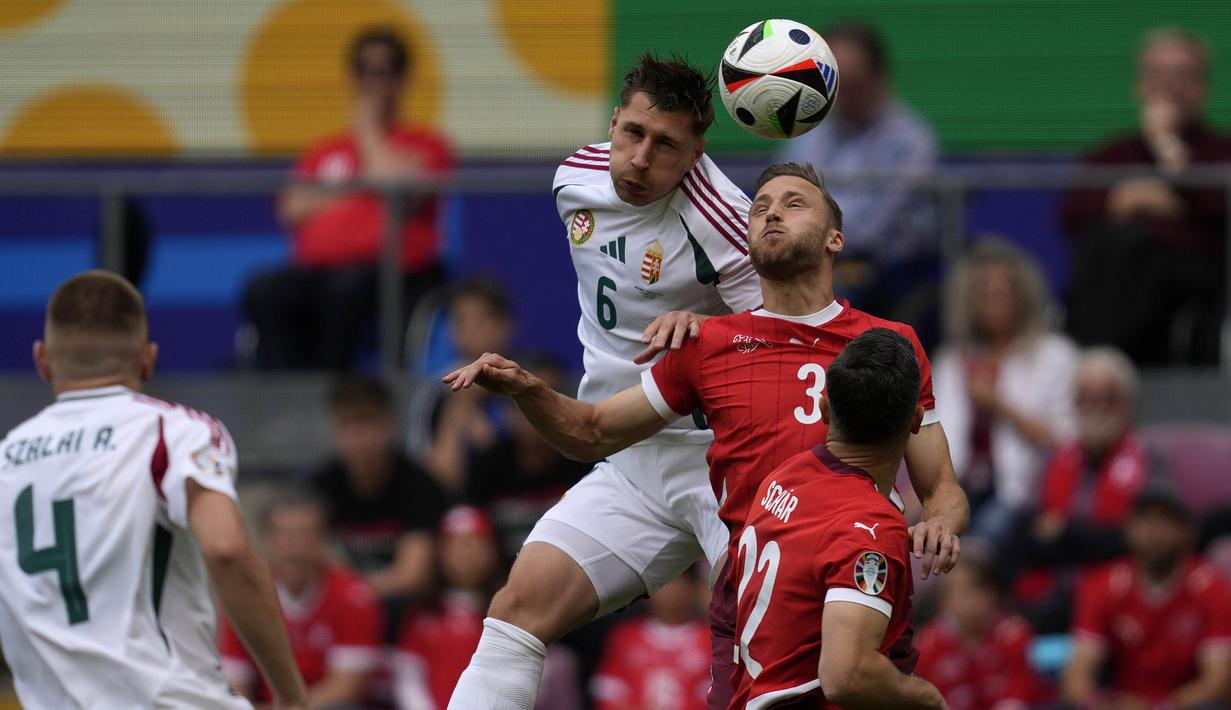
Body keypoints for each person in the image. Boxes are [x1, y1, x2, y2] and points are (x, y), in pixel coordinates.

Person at [444, 160, 968, 709]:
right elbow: (593, 431)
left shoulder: (887, 346)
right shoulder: (711, 344)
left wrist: (939, 525)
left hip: (853, 582)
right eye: (761, 207)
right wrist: (529, 389)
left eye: (794, 203)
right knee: (519, 602)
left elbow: (943, 488)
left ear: (835, 237)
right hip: (756, 606)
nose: (771, 214)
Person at [0, 271, 307, 708]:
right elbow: (227, 549)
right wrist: (292, 695)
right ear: (148, 357)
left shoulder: (6, 460)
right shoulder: (176, 434)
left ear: (41, 359)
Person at [728, 328, 945, 708]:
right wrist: (928, 698)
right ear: (915, 421)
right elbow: (846, 675)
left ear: (825, 409)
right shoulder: (870, 527)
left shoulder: (781, 478)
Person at [244, 27, 455, 370]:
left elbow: (403, 193)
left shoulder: (425, 144)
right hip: (317, 270)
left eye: (380, 72)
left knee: (345, 291)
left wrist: (367, 131)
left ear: (401, 79)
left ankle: (333, 391)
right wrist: (366, 181)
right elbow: (292, 207)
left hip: (392, 275)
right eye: (362, 71)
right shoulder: (326, 150)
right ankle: (289, 396)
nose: (370, 84)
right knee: (264, 290)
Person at [1059, 27, 1231, 365]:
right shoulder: (1113, 153)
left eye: (1183, 75)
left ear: (1202, 87)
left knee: (1133, 244)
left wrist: (1168, 149)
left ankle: (1099, 361)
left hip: (1195, 282)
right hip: (1115, 279)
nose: (1170, 86)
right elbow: (1071, 214)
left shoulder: (1219, 150)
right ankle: (1099, 363)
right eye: (1159, 75)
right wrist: (1120, 200)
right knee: (1116, 245)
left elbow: (1218, 209)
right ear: (1141, 84)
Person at [779, 21, 939, 334]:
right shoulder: (812, 134)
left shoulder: (910, 139)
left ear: (879, 78)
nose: (844, 97)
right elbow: (784, 192)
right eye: (836, 86)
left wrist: (813, 237)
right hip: (815, 259)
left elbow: (875, 225)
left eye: (854, 85)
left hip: (888, 272)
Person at [933, 237, 1078, 553]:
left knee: (983, 541)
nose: (994, 298)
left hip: (1024, 493)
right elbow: (935, 437)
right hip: (961, 487)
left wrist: (998, 404)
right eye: (985, 291)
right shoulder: (952, 360)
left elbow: (1066, 441)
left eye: (1004, 290)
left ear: (1023, 296)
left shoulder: (1055, 356)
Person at [1017, 347, 1154, 631]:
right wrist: (1088, 538)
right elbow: (1032, 533)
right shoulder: (1056, 458)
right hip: (1053, 587)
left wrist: (1067, 534)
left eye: (1107, 399)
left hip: (1121, 587)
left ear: (1127, 403)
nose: (1096, 407)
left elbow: (1137, 539)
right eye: (1086, 399)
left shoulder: (1149, 459)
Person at [393, 506, 581, 710]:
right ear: (440, 553)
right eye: (456, 546)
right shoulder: (423, 617)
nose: (465, 555)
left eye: (475, 544)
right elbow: (408, 679)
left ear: (493, 550)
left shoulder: (511, 608)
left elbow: (535, 669)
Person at [1062, 482, 1231, 709]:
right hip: (1123, 701)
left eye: (1165, 521)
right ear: (1128, 529)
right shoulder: (1102, 585)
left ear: (1187, 531)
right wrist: (1101, 703)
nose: (1154, 531)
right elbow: (1077, 676)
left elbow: (1217, 680)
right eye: (1144, 520)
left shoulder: (1212, 588)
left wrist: (1160, 706)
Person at [219, 494, 384, 708]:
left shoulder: (354, 595)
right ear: (266, 540)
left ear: (324, 539)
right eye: (284, 535)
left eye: (306, 534)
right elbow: (235, 686)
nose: (295, 547)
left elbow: (345, 689)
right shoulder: (246, 599)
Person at [312, 374, 445, 610]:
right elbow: (314, 562)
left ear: (389, 426)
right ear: (336, 431)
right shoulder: (320, 487)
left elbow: (414, 576)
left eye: (369, 423)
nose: (361, 437)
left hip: (402, 613)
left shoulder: (419, 485)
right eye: (349, 425)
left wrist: (353, 591)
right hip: (338, 614)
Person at [463, 357, 591, 562]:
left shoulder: (587, 464)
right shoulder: (487, 466)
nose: (539, 411)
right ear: (509, 409)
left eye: (549, 399)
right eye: (527, 398)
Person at [410, 279, 518, 496]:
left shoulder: (526, 381)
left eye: (481, 318)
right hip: (459, 510)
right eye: (461, 321)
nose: (471, 329)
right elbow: (441, 479)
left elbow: (518, 467)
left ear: (505, 325)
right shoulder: (435, 390)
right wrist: (462, 401)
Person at [915, 549, 1042, 710]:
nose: (969, 600)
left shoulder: (1015, 635)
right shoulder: (927, 645)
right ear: (944, 599)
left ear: (993, 593)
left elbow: (1017, 698)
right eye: (958, 591)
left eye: (975, 588)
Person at [592, 566, 711, 710]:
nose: (672, 592)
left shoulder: (711, 639)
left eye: (680, 584)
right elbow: (608, 695)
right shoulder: (626, 636)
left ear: (694, 588)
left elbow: (716, 697)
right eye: (665, 584)